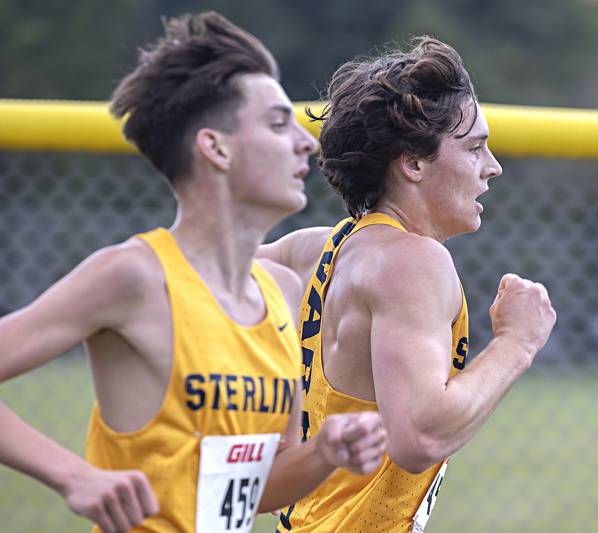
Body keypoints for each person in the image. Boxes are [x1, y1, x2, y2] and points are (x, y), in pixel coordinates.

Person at [0, 11, 386, 533]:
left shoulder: (284, 292)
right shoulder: (135, 276)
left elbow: (261, 489)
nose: (306, 142)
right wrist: (74, 476)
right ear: (215, 147)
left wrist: (325, 452)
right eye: (277, 123)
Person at [258, 37, 557, 532]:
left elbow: (205, 274)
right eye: (475, 147)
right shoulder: (413, 262)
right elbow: (418, 436)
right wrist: (517, 343)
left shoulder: (313, 250)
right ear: (413, 163)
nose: (492, 167)